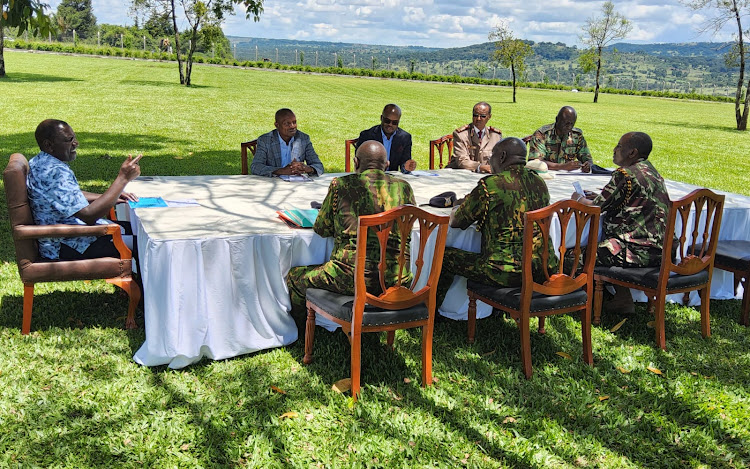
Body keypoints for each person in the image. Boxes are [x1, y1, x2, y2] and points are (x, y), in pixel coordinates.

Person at [286, 141, 416, 327]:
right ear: (386, 165)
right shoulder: (404, 188)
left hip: (350, 277)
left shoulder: (342, 185)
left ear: (356, 162)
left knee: (295, 277)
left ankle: (301, 327)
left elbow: (322, 229)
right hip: (397, 278)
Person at [436, 137, 556, 305]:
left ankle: (435, 310)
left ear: (502, 157)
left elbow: (457, 222)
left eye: (492, 155)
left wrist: (457, 204)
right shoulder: (539, 182)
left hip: (502, 271)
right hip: (540, 267)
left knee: (441, 255)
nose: (489, 160)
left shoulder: (491, 185)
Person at [572, 132, 671, 313]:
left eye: (619, 146)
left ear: (632, 152)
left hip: (635, 251)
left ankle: (578, 302)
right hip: (661, 250)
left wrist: (578, 198)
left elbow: (595, 208)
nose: (614, 150)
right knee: (610, 244)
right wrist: (601, 197)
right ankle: (622, 299)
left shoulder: (625, 174)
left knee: (575, 255)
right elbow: (621, 199)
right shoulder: (652, 172)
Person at [26, 119, 141, 260]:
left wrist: (108, 196)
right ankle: (138, 281)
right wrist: (122, 178)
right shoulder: (53, 171)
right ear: (49, 145)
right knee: (144, 245)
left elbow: (70, 195)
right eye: (69, 140)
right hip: (69, 245)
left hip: (72, 238)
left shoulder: (41, 162)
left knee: (136, 231)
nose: (76, 143)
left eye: (74, 137)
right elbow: (89, 216)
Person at [250, 108, 324, 177]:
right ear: (277, 125)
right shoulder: (265, 140)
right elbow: (256, 167)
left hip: (296, 184)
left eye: (294, 122)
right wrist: (281, 171)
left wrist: (306, 168)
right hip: (272, 182)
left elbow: (318, 166)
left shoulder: (303, 139)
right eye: (287, 124)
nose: (292, 126)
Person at [528, 106, 592, 172]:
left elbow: (587, 159)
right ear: (557, 120)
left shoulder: (577, 136)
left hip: (568, 177)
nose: (569, 127)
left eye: (572, 124)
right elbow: (535, 163)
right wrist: (563, 167)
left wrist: (588, 165)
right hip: (545, 175)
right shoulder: (542, 134)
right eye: (566, 123)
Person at [355, 104, 416, 173]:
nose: (390, 124)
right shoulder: (367, 135)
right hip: (370, 176)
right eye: (387, 121)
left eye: (394, 122)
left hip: (392, 178)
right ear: (381, 118)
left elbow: (404, 164)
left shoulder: (405, 138)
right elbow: (359, 162)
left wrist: (407, 167)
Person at [445, 102, 502, 173]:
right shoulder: (461, 134)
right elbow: (461, 160)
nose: (478, 119)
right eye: (475, 115)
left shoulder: (495, 135)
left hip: (485, 176)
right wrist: (480, 167)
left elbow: (500, 160)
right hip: (461, 174)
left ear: (489, 116)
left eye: (483, 116)